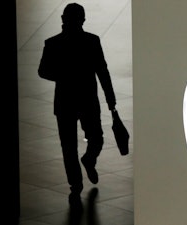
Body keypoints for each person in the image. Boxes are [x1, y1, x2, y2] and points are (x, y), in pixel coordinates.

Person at [38, 3, 117, 203]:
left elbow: (43, 71)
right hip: (88, 99)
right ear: (83, 19)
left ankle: (76, 184)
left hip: (65, 101)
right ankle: (89, 160)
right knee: (96, 137)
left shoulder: (53, 43)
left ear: (63, 19)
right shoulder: (92, 41)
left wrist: (63, 75)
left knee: (68, 146)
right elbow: (103, 72)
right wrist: (110, 100)